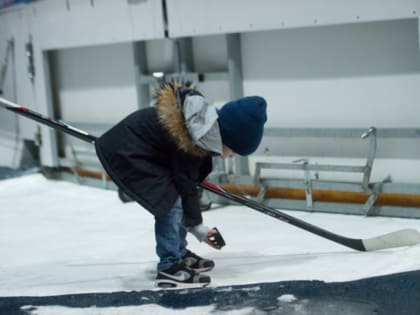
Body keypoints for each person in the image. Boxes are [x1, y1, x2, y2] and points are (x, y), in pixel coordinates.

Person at [95, 81, 267, 288]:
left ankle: (179, 252)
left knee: (176, 197)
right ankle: (169, 265)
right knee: (170, 203)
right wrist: (198, 229)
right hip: (129, 152)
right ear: (227, 137)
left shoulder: (202, 131)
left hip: (144, 150)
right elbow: (185, 186)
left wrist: (196, 226)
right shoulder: (195, 140)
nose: (232, 157)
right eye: (235, 151)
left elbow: (188, 183)